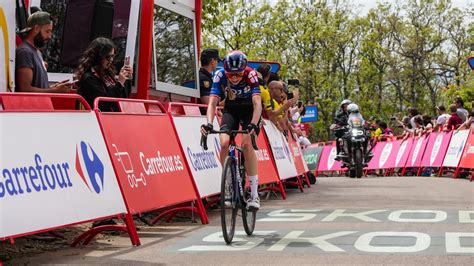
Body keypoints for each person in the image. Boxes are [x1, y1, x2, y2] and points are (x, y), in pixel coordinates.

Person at [200, 51, 262, 210]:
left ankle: (254, 195)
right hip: (231, 110)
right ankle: (228, 181)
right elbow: (212, 104)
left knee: (247, 145)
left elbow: (257, 104)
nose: (234, 78)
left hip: (249, 111)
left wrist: (254, 124)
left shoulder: (251, 75)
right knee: (224, 143)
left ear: (244, 69)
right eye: (231, 75)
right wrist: (208, 123)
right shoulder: (219, 75)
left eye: (238, 74)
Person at [15, 11, 72, 93]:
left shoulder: (35, 52)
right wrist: (55, 91)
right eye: (47, 31)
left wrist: (55, 87)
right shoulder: (25, 52)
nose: (50, 36)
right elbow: (25, 89)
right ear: (36, 29)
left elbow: (37, 86)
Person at [75, 37, 132, 111]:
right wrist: (120, 83)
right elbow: (103, 103)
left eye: (112, 56)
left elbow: (123, 98)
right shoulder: (89, 77)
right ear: (99, 57)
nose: (111, 60)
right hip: (97, 119)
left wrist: (127, 79)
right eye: (108, 57)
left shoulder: (107, 74)